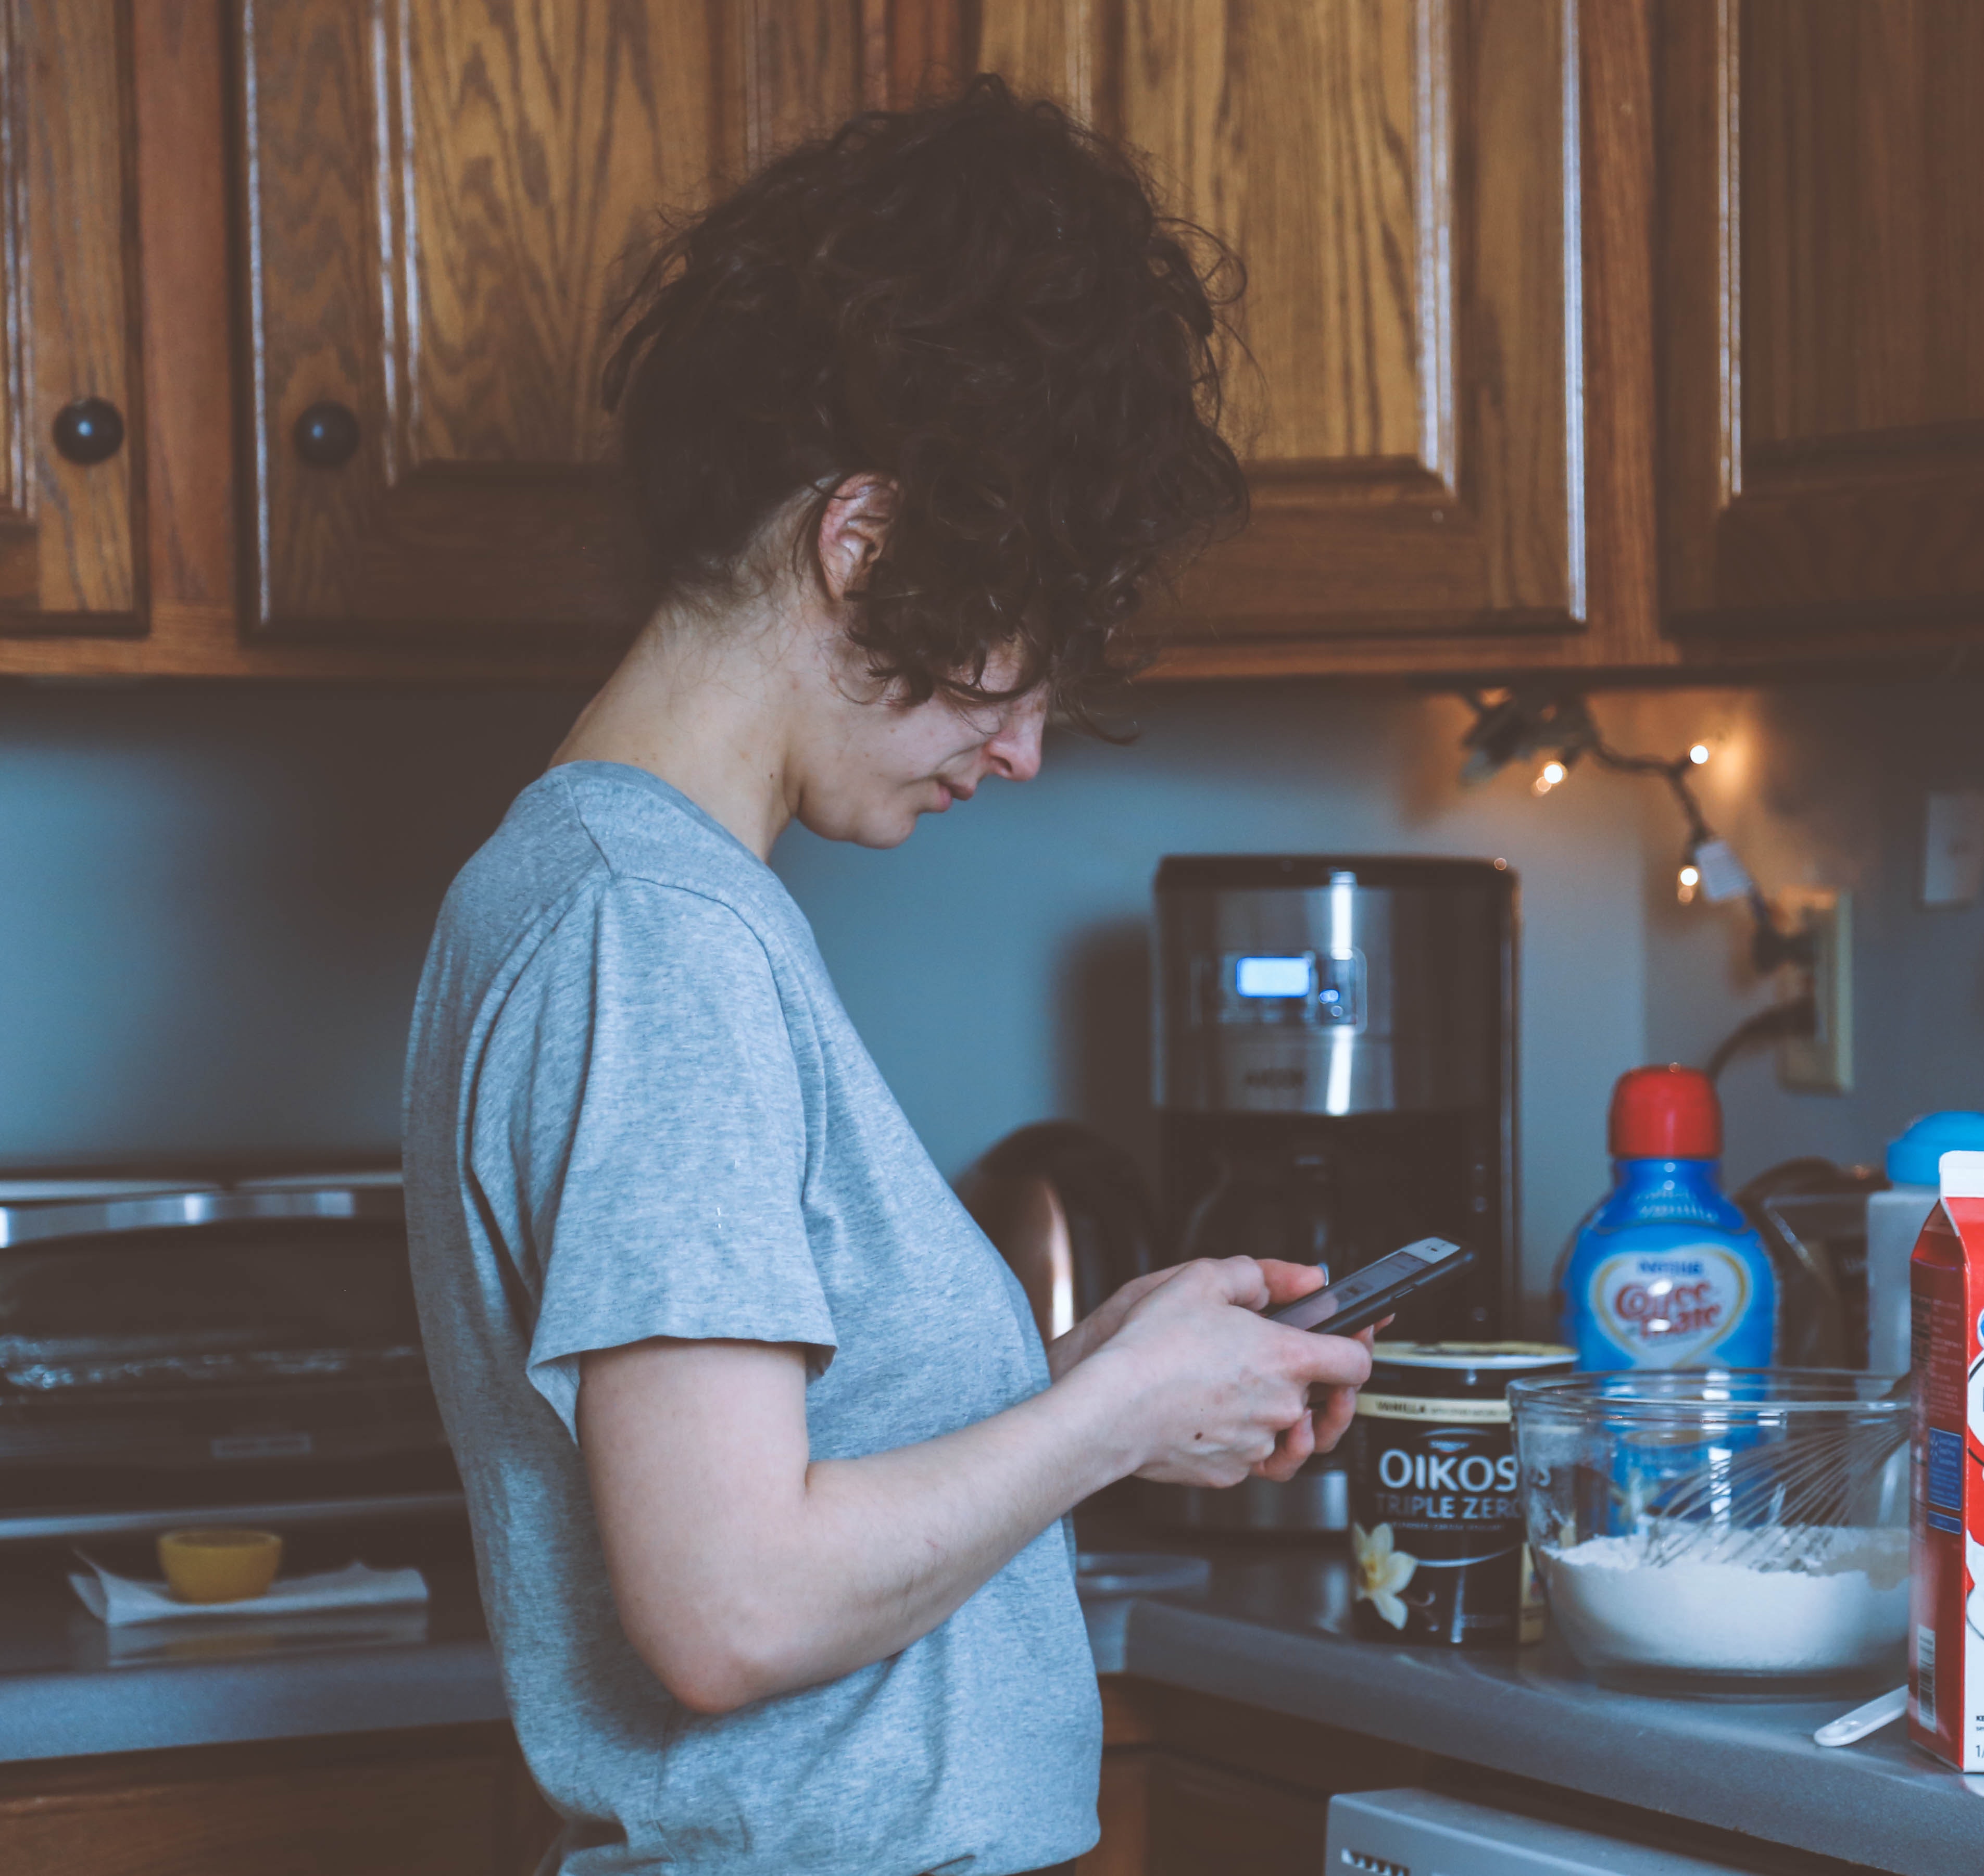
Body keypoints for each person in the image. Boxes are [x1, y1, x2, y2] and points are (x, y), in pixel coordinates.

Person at [403, 76, 1374, 1876]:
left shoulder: (608, 892)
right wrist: (1102, 1423)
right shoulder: (656, 941)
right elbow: (732, 1608)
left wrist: (1093, 1379)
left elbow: (777, 1485)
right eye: (1015, 669)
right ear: (861, 543)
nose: (1018, 753)